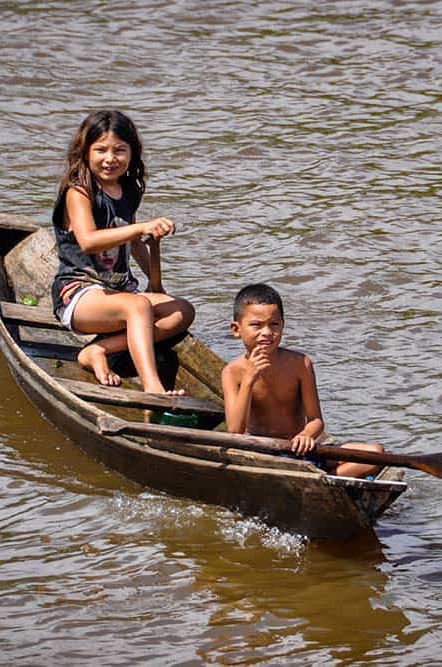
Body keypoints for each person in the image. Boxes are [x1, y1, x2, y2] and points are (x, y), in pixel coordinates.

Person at [50, 110, 194, 394]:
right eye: (100, 150)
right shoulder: (78, 192)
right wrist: (139, 229)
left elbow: (136, 242)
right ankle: (153, 387)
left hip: (119, 292)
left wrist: (155, 281)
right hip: (79, 293)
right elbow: (89, 241)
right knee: (137, 306)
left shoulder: (128, 190)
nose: (109, 158)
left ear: (132, 153)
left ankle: (97, 350)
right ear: (85, 152)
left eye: (119, 150)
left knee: (182, 311)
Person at [221, 283, 383, 478]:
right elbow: (235, 432)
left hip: (299, 448)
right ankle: (321, 478)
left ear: (283, 325)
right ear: (236, 329)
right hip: (263, 454)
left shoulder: (300, 364)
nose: (267, 333)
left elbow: (316, 420)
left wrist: (306, 435)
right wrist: (249, 380)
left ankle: (328, 478)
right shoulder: (232, 372)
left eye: (274, 324)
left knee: (376, 453)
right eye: (256, 325)